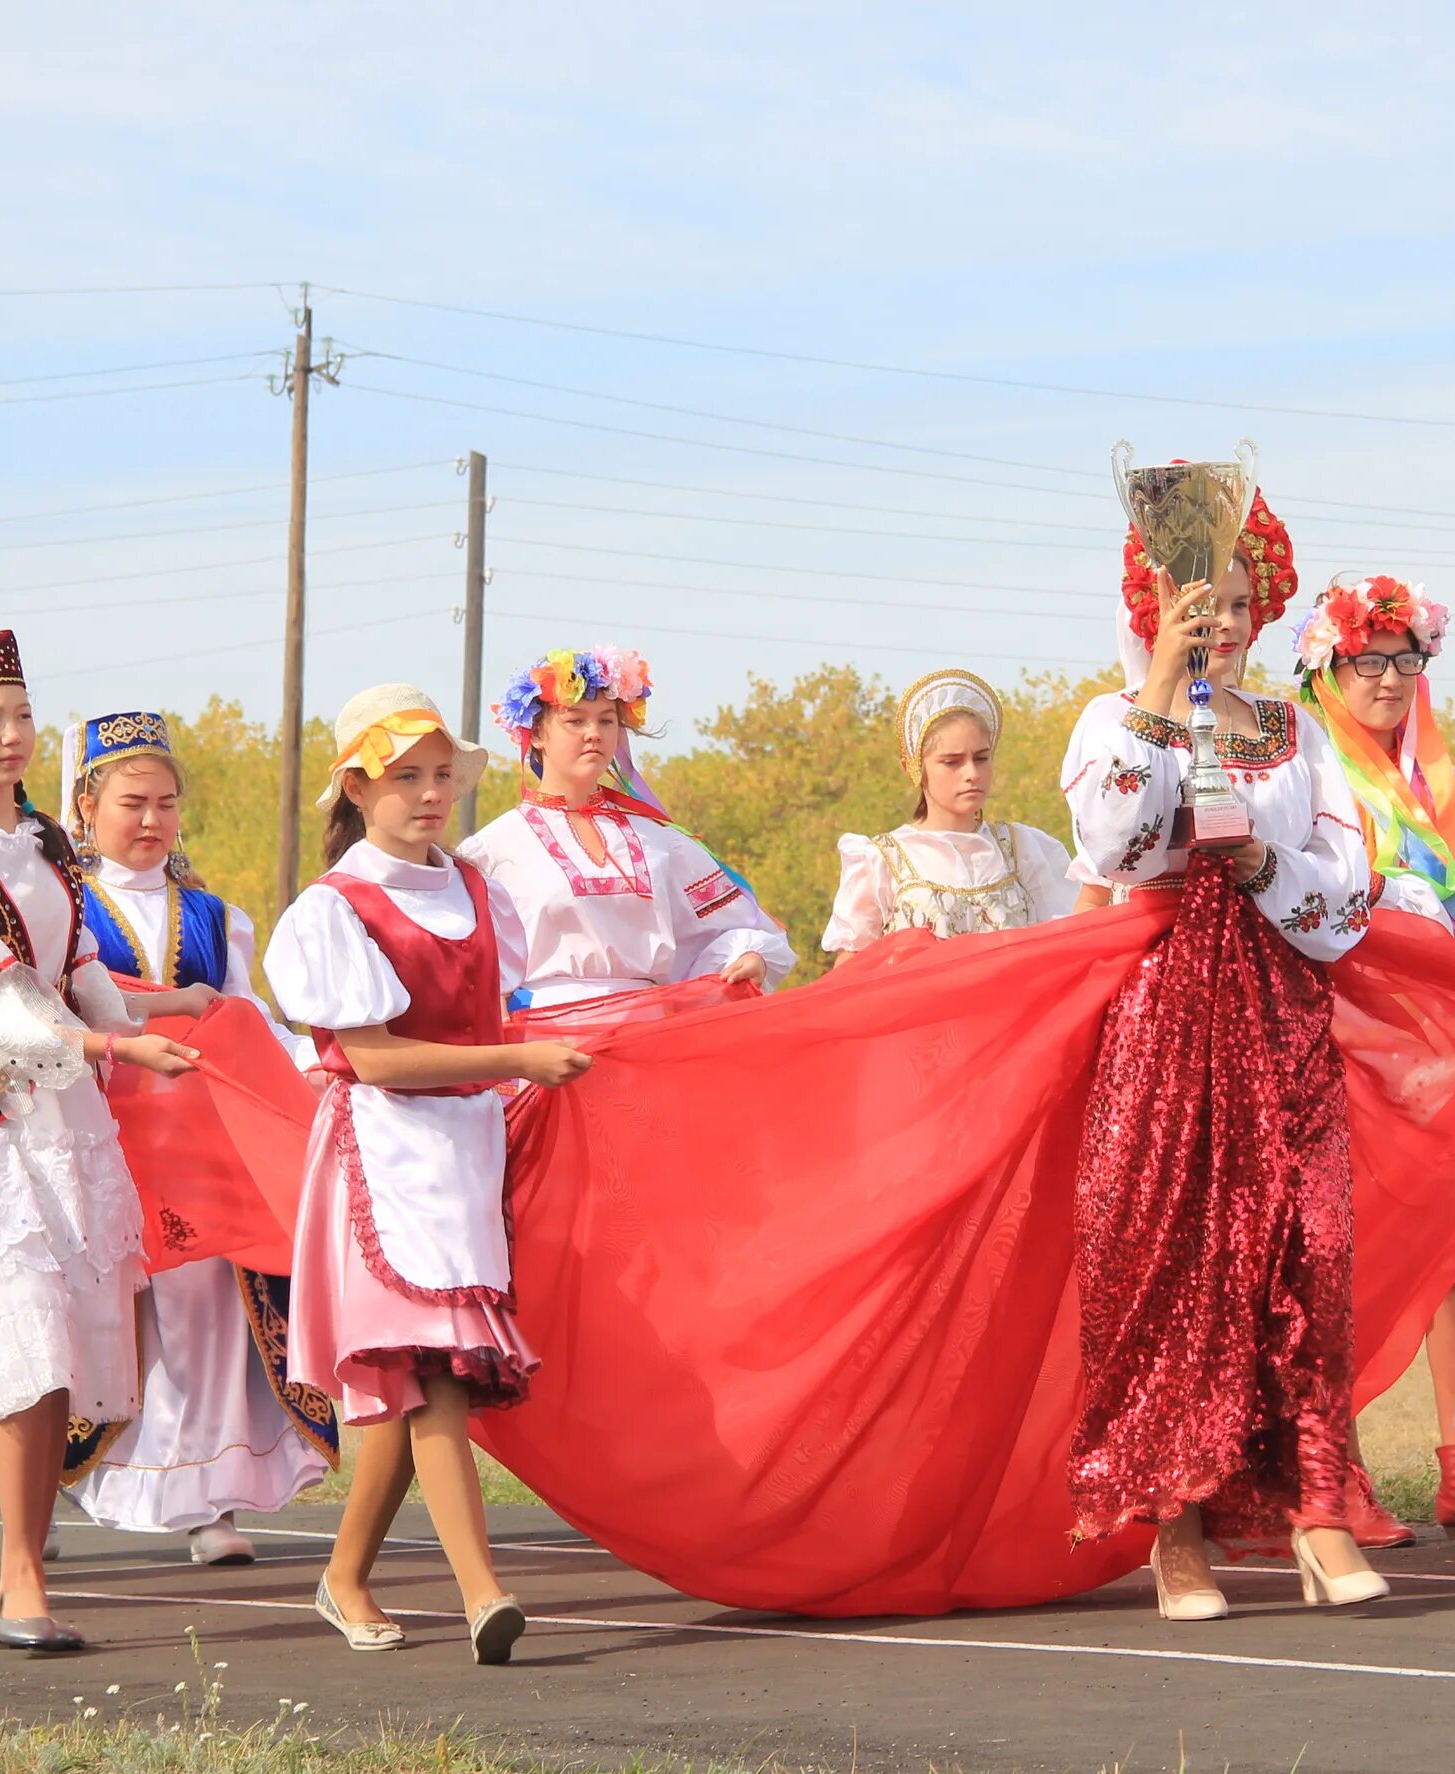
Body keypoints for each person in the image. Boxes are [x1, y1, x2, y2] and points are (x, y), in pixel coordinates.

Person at [1059, 486, 1396, 1620]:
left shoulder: (1299, 734)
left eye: (1241, 604)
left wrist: (1267, 871)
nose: (1223, 624)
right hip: (1162, 1019)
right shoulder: (1115, 717)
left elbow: (1349, 891)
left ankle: (1319, 1509)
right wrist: (1162, 686)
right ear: (1150, 607)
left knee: (1314, 1248)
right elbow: (1115, 838)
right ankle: (1177, 1528)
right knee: (1173, 1263)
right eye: (1196, 605)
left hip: (1284, 1016)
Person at [0, 592, 196, 1652]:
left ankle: (30, 1554)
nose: (13, 732)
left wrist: (149, 1024)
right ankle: (18, 1574)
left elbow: (77, 970)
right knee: (21, 1321)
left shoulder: (49, 840)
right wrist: (114, 1047)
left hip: (65, 1117)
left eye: (23, 712)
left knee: (62, 1331)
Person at [268, 683, 586, 1664]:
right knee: (437, 1370)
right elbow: (372, 1059)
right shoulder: (334, 907)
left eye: (442, 774)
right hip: (385, 1153)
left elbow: (508, 1014)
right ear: (359, 786)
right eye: (407, 775)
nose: (430, 792)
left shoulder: (476, 889)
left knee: (416, 1382)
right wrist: (517, 1063)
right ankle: (482, 1591)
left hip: (464, 1151)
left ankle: (345, 1573)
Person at [56, 711, 332, 1565]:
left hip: (202, 1147)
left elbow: (250, 1018)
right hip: (99, 1133)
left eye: (166, 804)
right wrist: (172, 1006)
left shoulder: (215, 915)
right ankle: (52, 1479)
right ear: (87, 806)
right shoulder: (59, 906)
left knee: (205, 1310)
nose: (151, 821)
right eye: (133, 802)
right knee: (101, 1313)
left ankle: (207, 1496)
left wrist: (313, 1071)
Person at [1290, 575, 1455, 1543]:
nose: (1388, 679)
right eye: (1366, 660)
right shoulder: (1309, 773)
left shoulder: (1451, 788)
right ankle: (1336, 1474)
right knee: (1339, 1257)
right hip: (1337, 1042)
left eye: (1405, 659)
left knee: (1449, 1257)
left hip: (1433, 1053)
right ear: (1327, 667)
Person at [461, 646, 793, 1007]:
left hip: (645, 1035)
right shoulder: (493, 849)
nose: (594, 733)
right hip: (542, 1037)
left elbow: (732, 930)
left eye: (606, 720)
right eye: (576, 720)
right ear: (536, 734)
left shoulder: (660, 841)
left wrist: (749, 957)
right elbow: (466, 963)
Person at [823, 669, 1075, 953]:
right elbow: (853, 970)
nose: (971, 773)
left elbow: (1066, 946)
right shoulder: (881, 861)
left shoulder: (1023, 849)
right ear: (913, 768)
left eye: (981, 758)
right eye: (952, 762)